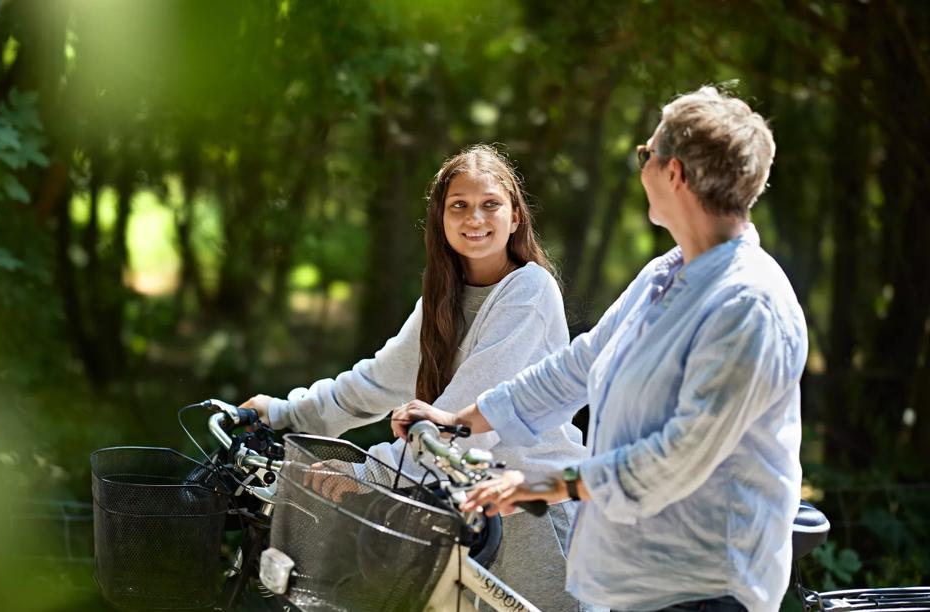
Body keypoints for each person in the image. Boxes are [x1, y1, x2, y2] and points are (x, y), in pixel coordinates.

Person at [393, 87, 808, 612]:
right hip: (634, 584)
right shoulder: (665, 275)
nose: (642, 169)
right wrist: (463, 418)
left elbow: (675, 459)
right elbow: (578, 366)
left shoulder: (746, 305)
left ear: (673, 173)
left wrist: (543, 483)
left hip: (703, 589)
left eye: (645, 155)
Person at [241, 144, 587, 611]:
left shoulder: (529, 290)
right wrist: (285, 414)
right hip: (469, 515)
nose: (474, 218)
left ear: (516, 216)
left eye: (490, 204)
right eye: (458, 206)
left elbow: (463, 424)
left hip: (537, 510)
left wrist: (365, 474)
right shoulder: (441, 299)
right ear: (441, 220)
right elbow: (374, 384)